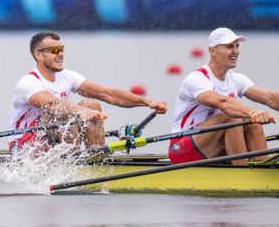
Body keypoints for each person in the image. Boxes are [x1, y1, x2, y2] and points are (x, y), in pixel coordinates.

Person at [168, 28, 279, 165]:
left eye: (237, 46)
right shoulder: (197, 79)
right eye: (229, 46)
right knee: (232, 117)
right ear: (212, 51)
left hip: (210, 146)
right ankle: (244, 174)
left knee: (251, 122)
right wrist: (252, 113)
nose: (235, 51)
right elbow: (222, 103)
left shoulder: (235, 79)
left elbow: (270, 98)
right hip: (182, 149)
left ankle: (263, 168)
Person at [10, 31, 168, 152]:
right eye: (54, 50)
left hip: (54, 138)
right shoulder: (28, 82)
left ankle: (95, 159)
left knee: (92, 103)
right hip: (25, 145)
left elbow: (108, 94)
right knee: (64, 113)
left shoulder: (68, 77)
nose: (61, 54)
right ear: (38, 55)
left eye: (62, 49)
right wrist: (81, 112)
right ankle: (73, 161)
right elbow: (52, 104)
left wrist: (147, 102)